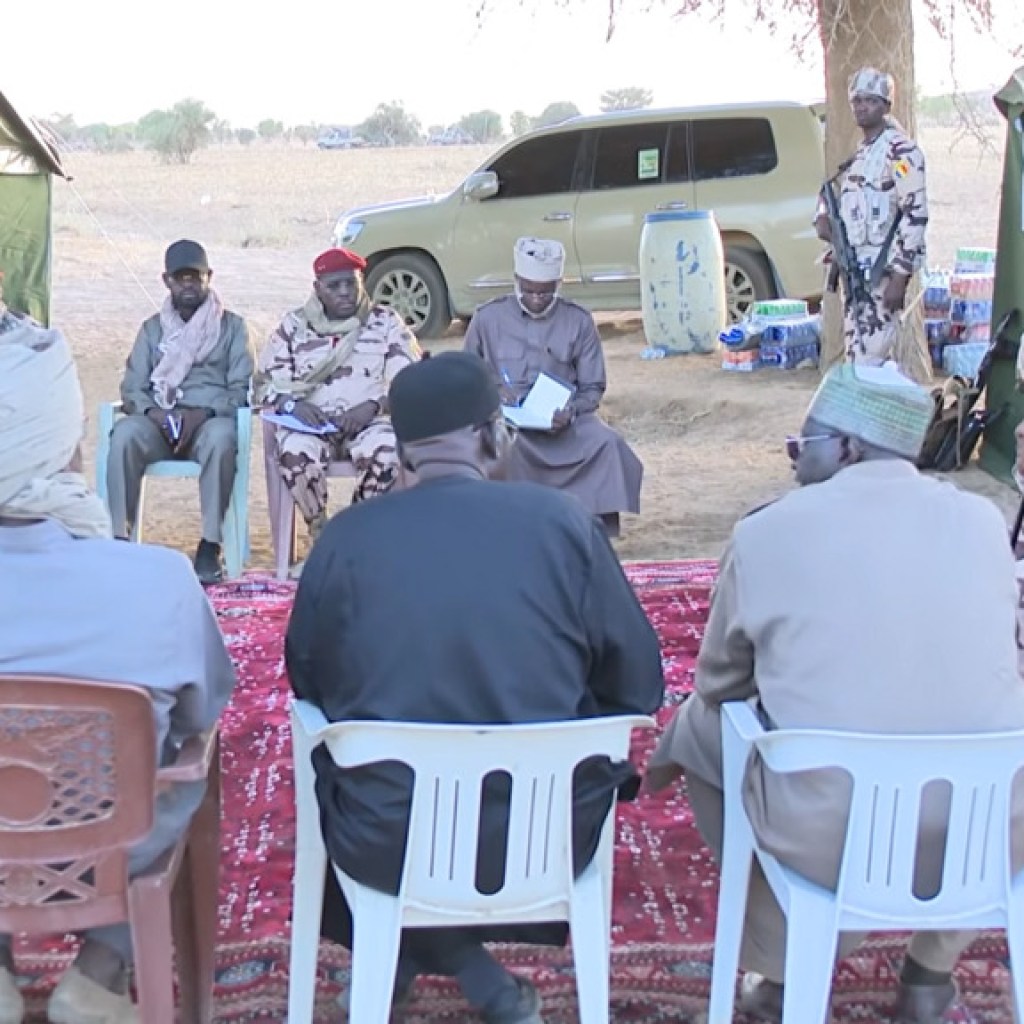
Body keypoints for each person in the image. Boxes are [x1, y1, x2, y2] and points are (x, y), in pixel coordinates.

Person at [285, 351, 664, 1024]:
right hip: (546, 830)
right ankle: (471, 968)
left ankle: (409, 955)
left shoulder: (345, 540)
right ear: (494, 436)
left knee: (332, 772)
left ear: (401, 458)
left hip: (387, 837)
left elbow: (310, 680)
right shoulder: (566, 525)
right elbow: (638, 682)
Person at [646, 362, 1024, 1024]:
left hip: (831, 837)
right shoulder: (983, 522)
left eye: (802, 448)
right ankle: (930, 975)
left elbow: (717, 682)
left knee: (695, 727)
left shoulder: (767, 532)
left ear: (847, 447)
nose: (793, 466)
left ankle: (788, 968)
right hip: (991, 827)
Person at [0, 317, 236, 1024]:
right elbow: (202, 713)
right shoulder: (158, 582)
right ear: (64, 444)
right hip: (111, 846)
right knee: (180, 765)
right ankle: (101, 970)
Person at [463, 237, 642, 537]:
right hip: (507, 419)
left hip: (563, 420)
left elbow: (593, 387)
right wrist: (493, 395)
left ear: (559, 285)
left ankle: (597, 528)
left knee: (606, 443)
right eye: (529, 291)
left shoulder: (579, 321)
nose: (536, 299)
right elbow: (466, 375)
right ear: (517, 280)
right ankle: (516, 524)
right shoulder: (487, 318)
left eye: (545, 293)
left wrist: (571, 411)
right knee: (504, 445)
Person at [104, 239, 254, 585]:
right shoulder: (152, 329)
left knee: (221, 437)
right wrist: (155, 414)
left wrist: (201, 415)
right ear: (166, 280)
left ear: (209, 277)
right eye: (180, 277)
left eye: (195, 277)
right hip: (159, 420)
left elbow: (242, 389)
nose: (188, 284)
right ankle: (119, 540)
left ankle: (209, 545)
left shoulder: (232, 328)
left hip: (206, 422)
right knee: (125, 434)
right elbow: (132, 388)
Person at [254, 247, 420, 548]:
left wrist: (373, 407)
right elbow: (265, 383)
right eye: (334, 286)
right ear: (317, 288)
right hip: (311, 426)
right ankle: (321, 533)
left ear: (362, 281)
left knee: (390, 452)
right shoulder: (294, 326)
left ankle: (355, 531)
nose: (344, 293)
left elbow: (410, 381)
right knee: (293, 454)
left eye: (350, 283)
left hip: (369, 424)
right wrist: (293, 406)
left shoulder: (385, 322)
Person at [815, 68, 929, 372]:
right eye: (857, 101)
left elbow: (915, 213)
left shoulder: (901, 151)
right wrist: (825, 222)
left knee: (871, 360)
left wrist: (900, 277)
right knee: (859, 361)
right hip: (857, 277)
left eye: (871, 100)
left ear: (886, 105)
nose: (862, 107)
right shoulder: (859, 157)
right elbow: (842, 207)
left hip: (883, 275)